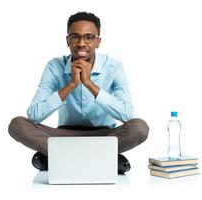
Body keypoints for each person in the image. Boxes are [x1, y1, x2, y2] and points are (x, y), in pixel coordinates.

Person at [8, 11, 149, 174]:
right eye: (75, 37)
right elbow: (33, 115)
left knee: (139, 127)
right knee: (17, 124)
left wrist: (89, 83)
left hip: (105, 136)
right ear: (68, 41)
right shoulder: (54, 66)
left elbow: (127, 114)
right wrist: (72, 84)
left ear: (98, 42)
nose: (82, 43)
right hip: (64, 136)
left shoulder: (114, 66)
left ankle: (57, 157)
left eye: (89, 37)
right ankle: (105, 158)